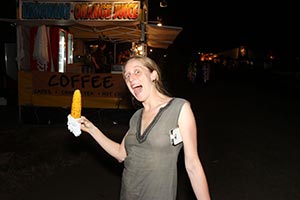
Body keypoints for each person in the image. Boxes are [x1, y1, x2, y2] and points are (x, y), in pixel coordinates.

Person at [78, 56, 211, 200]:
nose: (131, 78)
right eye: (127, 76)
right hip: (128, 194)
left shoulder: (179, 108)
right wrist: (92, 129)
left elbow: (193, 165)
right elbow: (121, 154)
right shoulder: (136, 116)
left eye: (137, 72)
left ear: (153, 75)